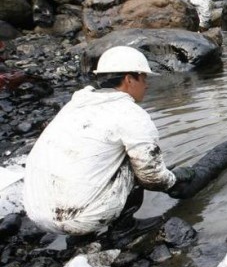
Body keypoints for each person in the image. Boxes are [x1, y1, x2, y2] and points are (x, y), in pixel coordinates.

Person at [23, 46, 194, 239]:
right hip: (81, 218)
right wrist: (174, 179)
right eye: (144, 79)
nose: (146, 85)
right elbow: (152, 177)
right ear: (129, 79)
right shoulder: (130, 114)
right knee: (138, 163)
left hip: (37, 212)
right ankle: (124, 229)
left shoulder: (75, 105)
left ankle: (83, 233)